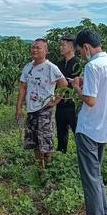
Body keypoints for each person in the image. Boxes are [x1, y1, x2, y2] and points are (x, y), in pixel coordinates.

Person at [71, 30, 107, 215]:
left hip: (89, 128)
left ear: (86, 48)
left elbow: (90, 100)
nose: (82, 55)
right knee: (97, 175)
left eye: (81, 51)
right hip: (104, 128)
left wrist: (76, 88)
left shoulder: (92, 66)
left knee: (90, 179)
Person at [16, 38, 68, 169]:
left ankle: (48, 168)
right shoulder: (28, 67)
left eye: (38, 48)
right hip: (31, 109)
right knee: (34, 140)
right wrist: (19, 107)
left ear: (46, 50)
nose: (34, 50)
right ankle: (40, 166)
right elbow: (23, 87)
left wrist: (55, 101)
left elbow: (64, 84)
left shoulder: (51, 68)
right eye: (33, 47)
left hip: (45, 110)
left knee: (45, 139)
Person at [55, 34, 79, 153]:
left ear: (71, 47)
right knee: (61, 133)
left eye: (63, 45)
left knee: (78, 134)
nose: (61, 47)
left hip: (73, 106)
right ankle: (61, 155)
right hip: (60, 104)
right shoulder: (58, 64)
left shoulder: (78, 64)